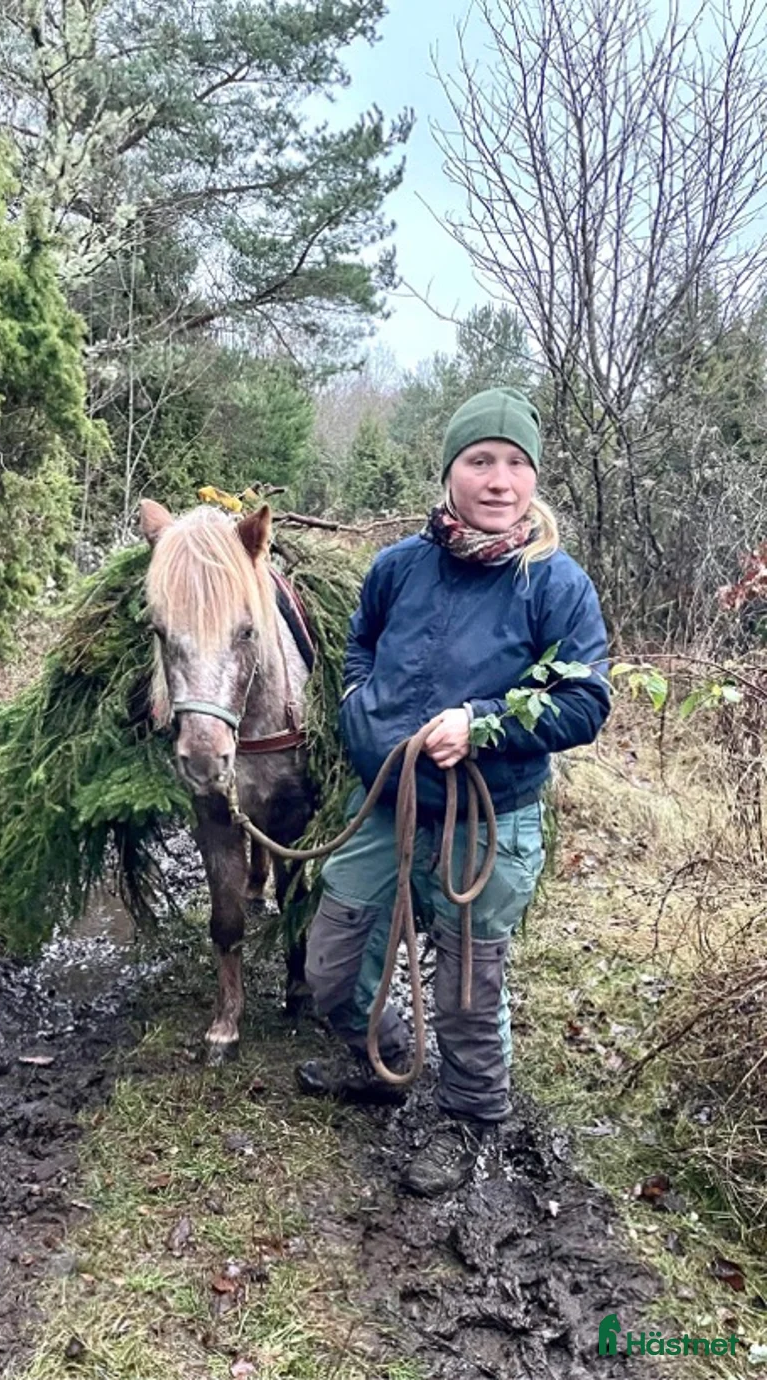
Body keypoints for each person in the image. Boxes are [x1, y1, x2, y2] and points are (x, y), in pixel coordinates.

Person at [296, 386, 610, 1198]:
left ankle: (471, 1119)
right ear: (451, 473)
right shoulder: (399, 566)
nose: (498, 479)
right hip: (389, 807)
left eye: (514, 463)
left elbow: (585, 701)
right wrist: (359, 707)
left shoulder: (556, 584)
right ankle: (386, 1055)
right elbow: (361, 644)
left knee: (469, 989)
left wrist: (481, 725)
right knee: (331, 962)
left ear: (533, 478)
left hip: (489, 815)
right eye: (480, 461)